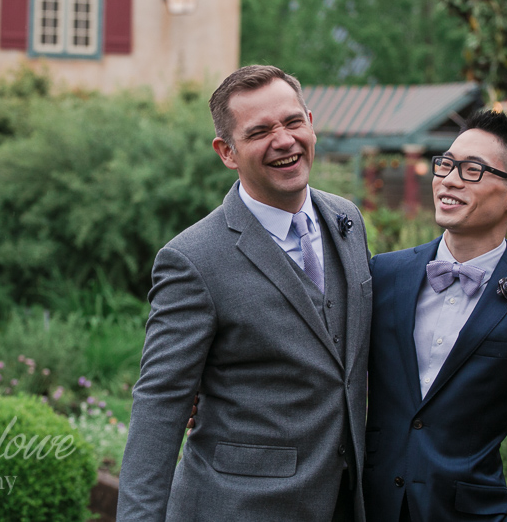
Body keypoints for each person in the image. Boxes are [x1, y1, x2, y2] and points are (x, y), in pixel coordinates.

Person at [117, 65, 372, 522]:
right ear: (227, 152)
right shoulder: (192, 258)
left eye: (294, 122)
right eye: (260, 132)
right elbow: (160, 403)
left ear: (311, 123)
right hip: (237, 506)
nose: (285, 140)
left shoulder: (346, 219)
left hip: (343, 500)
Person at [363, 110, 507, 522]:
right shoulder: (383, 273)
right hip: (367, 506)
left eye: (472, 170)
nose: (448, 179)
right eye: (446, 164)